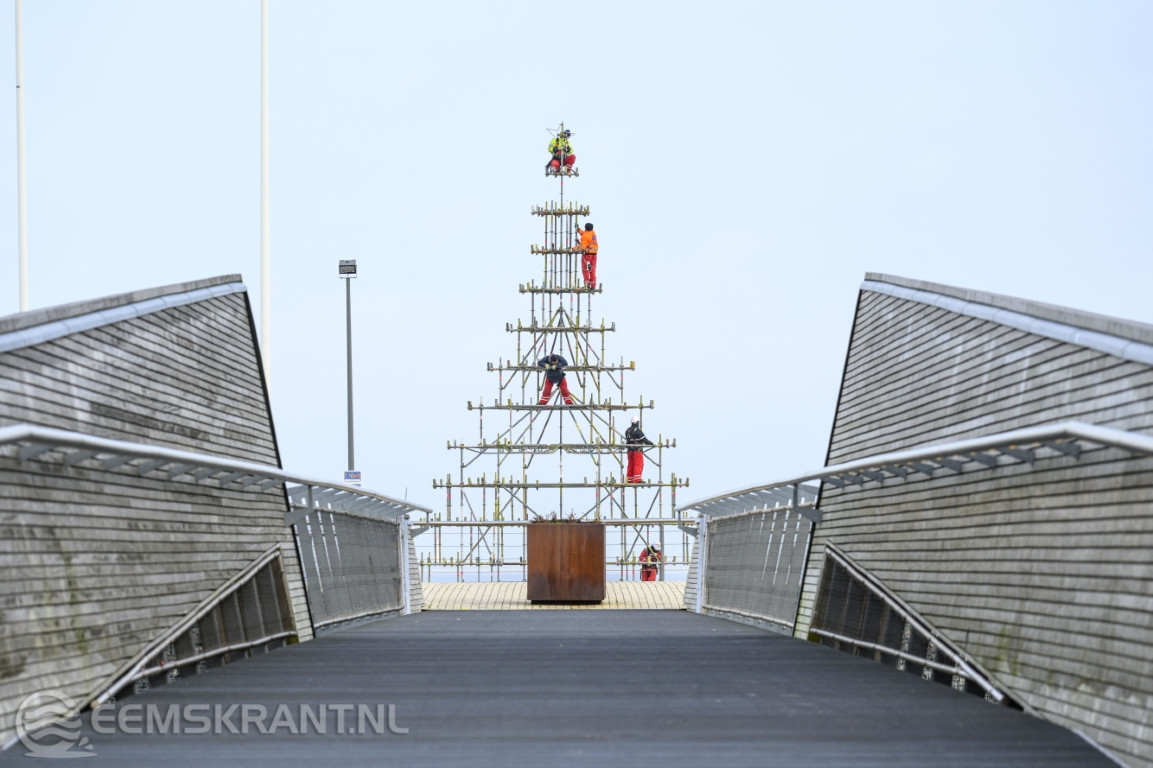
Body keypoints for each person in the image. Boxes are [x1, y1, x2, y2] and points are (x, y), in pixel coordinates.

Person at [625, 415, 654, 483]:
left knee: (630, 464)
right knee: (638, 464)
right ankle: (637, 479)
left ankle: (630, 479)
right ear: (637, 422)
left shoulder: (627, 430)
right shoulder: (637, 431)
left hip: (629, 451)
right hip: (637, 451)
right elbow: (645, 440)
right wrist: (652, 444)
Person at [576, 222, 598, 289]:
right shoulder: (592, 232)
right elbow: (584, 234)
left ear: (586, 228)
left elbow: (582, 247)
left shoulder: (585, 237)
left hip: (587, 255)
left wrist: (572, 248)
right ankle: (593, 285)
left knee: (585, 270)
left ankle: (587, 285)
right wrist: (578, 229)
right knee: (592, 269)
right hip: (594, 254)